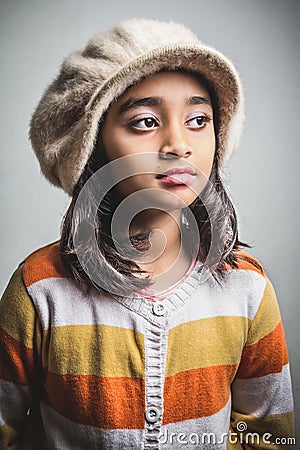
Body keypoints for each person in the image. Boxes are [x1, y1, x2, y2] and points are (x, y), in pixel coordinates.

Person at [0, 18, 295, 450]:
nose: (179, 144)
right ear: (92, 146)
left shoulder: (246, 288)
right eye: (143, 122)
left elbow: (269, 436)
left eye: (198, 119)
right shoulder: (39, 290)